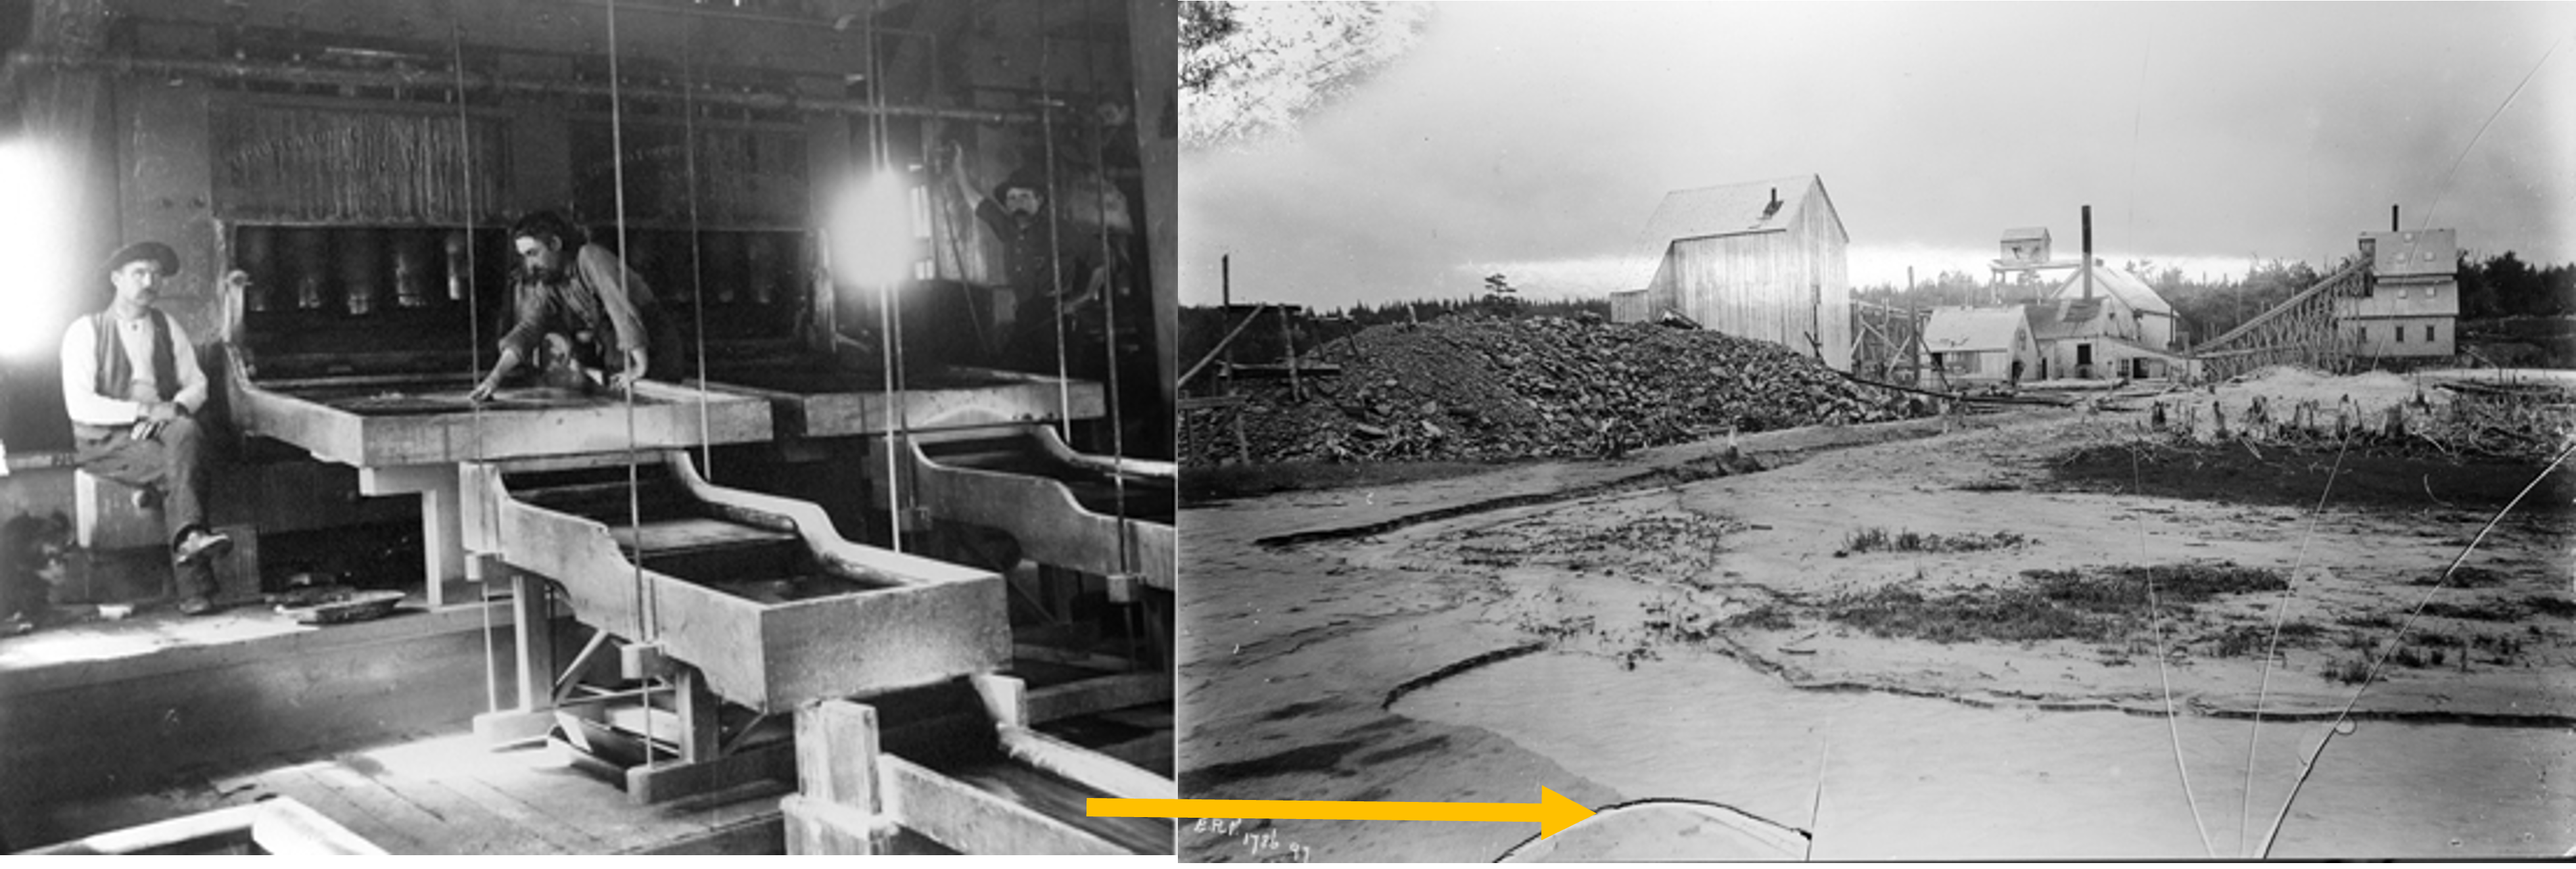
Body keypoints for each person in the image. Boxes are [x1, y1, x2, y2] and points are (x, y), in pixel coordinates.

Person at [59, 242, 231, 615]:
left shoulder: (167, 327)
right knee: (183, 467)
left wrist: (174, 407)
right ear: (116, 279)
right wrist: (142, 411)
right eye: (139, 272)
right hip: (105, 439)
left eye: (156, 274)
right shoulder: (85, 331)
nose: (149, 281)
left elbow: (197, 384)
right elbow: (80, 405)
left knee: (186, 432)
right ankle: (194, 583)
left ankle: (191, 540)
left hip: (160, 427)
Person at [469, 211, 682, 402]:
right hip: (625, 353)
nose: (529, 265)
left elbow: (620, 306)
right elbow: (529, 329)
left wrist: (641, 366)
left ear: (555, 244)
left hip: (654, 346)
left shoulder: (590, 257)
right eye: (524, 257)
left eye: (533, 254)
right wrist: (494, 378)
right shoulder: (551, 284)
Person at [946, 144, 1114, 373]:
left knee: (1057, 376)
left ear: (1039, 201)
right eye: (1012, 198)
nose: (1018, 203)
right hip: (1027, 315)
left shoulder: (1058, 230)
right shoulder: (1008, 229)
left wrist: (1082, 297)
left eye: (1025, 196)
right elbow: (977, 201)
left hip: (1056, 316)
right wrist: (958, 167)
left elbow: (1101, 257)